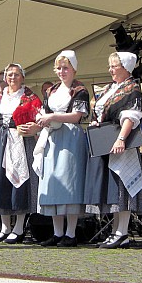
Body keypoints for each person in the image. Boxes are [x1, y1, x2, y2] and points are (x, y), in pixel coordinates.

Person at [85, 51, 142, 249]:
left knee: (124, 186)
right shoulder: (111, 88)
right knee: (114, 188)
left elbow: (131, 116)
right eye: (110, 66)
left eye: (114, 66)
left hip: (122, 143)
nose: (111, 70)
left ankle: (123, 232)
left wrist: (121, 139)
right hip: (108, 142)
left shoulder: (132, 89)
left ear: (126, 67)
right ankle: (115, 231)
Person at [34, 50, 90, 247]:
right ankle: (57, 232)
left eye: (65, 68)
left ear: (73, 68)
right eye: (58, 68)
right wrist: (41, 120)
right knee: (53, 182)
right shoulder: (52, 91)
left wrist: (52, 117)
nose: (61, 71)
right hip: (52, 138)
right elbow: (45, 112)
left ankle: (71, 232)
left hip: (70, 137)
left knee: (69, 182)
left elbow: (77, 116)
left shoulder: (79, 90)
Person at [0, 63, 43, 243]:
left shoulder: (31, 98)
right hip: (1, 142)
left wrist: (33, 129)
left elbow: (40, 121)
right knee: (1, 182)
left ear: (23, 77)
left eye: (16, 74)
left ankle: (18, 227)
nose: (12, 78)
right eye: (9, 75)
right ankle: (4, 227)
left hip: (21, 142)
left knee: (20, 183)